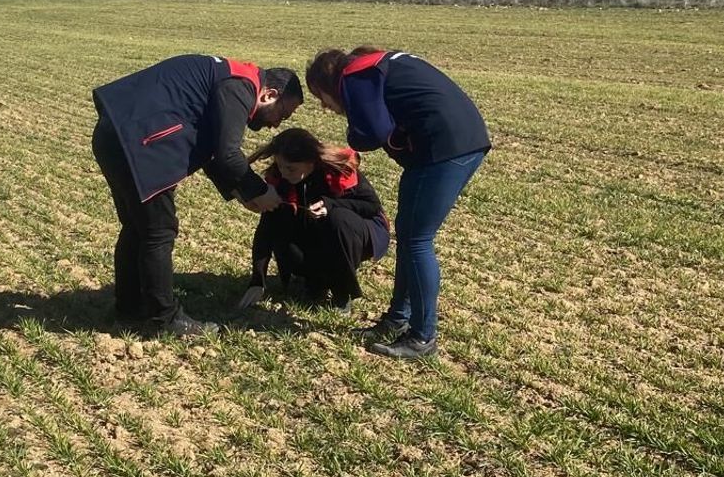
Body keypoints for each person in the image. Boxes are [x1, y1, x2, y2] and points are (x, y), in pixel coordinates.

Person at [92, 54, 302, 336]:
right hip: (139, 141)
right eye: (283, 114)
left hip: (115, 134)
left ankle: (129, 310)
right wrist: (260, 190)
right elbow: (227, 154)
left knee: (137, 228)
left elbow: (211, 150)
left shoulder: (229, 78)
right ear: (270, 94)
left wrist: (242, 193)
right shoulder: (240, 86)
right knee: (158, 232)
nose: (276, 125)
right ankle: (165, 320)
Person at [305, 47, 489, 358]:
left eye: (320, 97)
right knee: (409, 237)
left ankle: (422, 338)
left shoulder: (355, 76)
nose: (324, 106)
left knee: (417, 240)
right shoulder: (377, 63)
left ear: (327, 83)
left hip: (445, 147)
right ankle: (397, 320)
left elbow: (370, 134)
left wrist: (355, 133)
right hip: (460, 139)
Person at [237, 128, 389, 314]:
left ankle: (342, 293)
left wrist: (331, 204)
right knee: (282, 217)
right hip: (313, 234)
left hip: (358, 232)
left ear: (310, 162)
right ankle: (315, 281)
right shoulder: (280, 180)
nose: (284, 173)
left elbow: (372, 206)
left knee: (338, 219)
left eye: (291, 168)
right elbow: (266, 229)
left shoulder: (338, 170)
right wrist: (257, 280)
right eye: (280, 166)